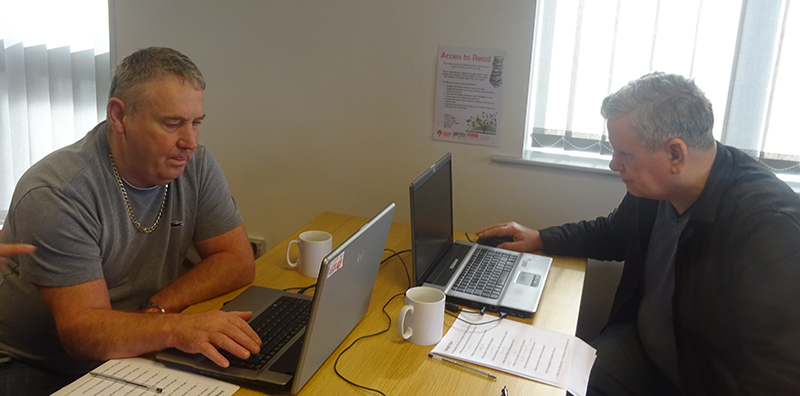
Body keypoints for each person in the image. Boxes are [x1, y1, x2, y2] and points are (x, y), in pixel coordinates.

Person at [477, 72, 800, 395]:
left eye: (624, 154)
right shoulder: (655, 188)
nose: (613, 165)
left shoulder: (768, 225)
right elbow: (615, 233)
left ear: (675, 154)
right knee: (543, 384)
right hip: (643, 348)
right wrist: (541, 238)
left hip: (703, 380)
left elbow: (778, 372)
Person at [0, 47, 262, 394]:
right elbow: (82, 333)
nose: (190, 142)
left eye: (196, 122)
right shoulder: (57, 191)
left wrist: (158, 309)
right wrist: (173, 328)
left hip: (138, 343)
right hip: (41, 362)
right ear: (120, 116)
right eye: (172, 123)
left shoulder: (195, 165)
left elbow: (238, 260)